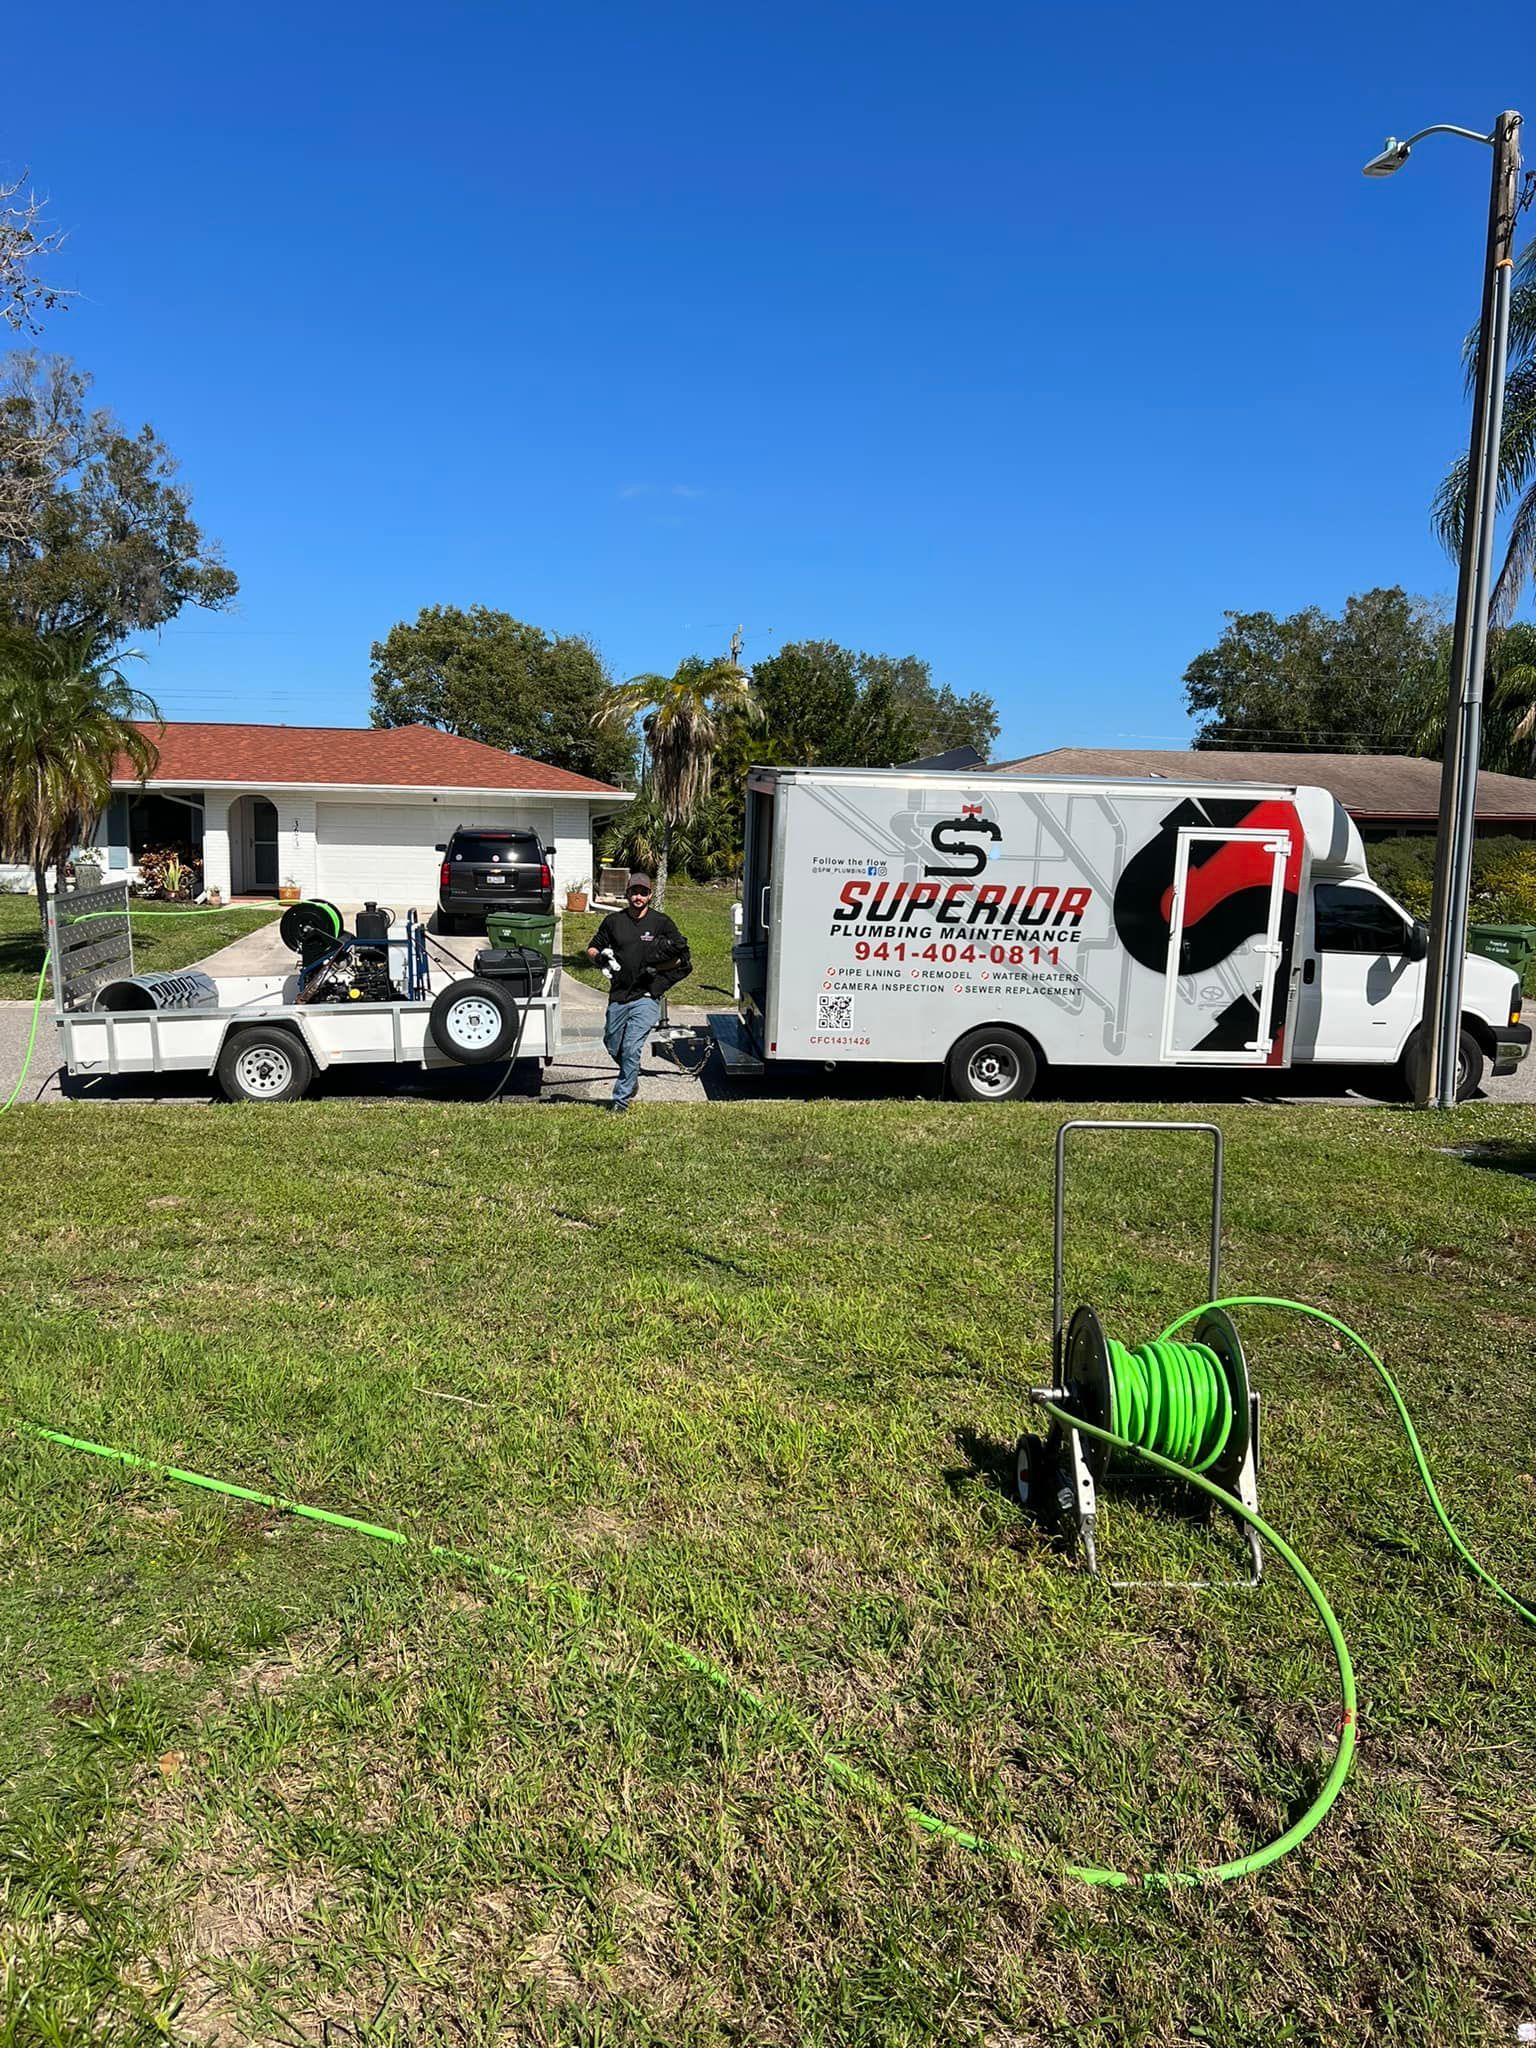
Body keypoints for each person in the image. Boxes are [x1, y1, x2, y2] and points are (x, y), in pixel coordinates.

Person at [585, 873, 691, 1113]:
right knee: (613, 1044)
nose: (638, 897)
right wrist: (599, 958)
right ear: (627, 894)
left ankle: (620, 1101)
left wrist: (656, 969)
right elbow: (592, 948)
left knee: (632, 1047)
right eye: (634, 892)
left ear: (650, 895)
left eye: (643, 892)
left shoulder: (661, 923)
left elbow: (682, 956)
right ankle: (630, 1077)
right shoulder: (613, 921)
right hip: (619, 995)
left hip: (646, 997)